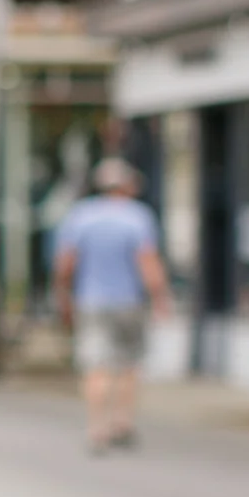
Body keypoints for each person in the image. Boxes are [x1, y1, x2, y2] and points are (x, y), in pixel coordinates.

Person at [53, 157, 171, 455]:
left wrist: (63, 296)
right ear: (128, 187)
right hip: (128, 301)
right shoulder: (138, 217)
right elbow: (148, 262)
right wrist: (159, 298)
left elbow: (66, 263)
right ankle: (122, 422)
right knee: (128, 364)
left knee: (96, 367)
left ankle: (97, 428)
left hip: (91, 301)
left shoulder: (81, 216)